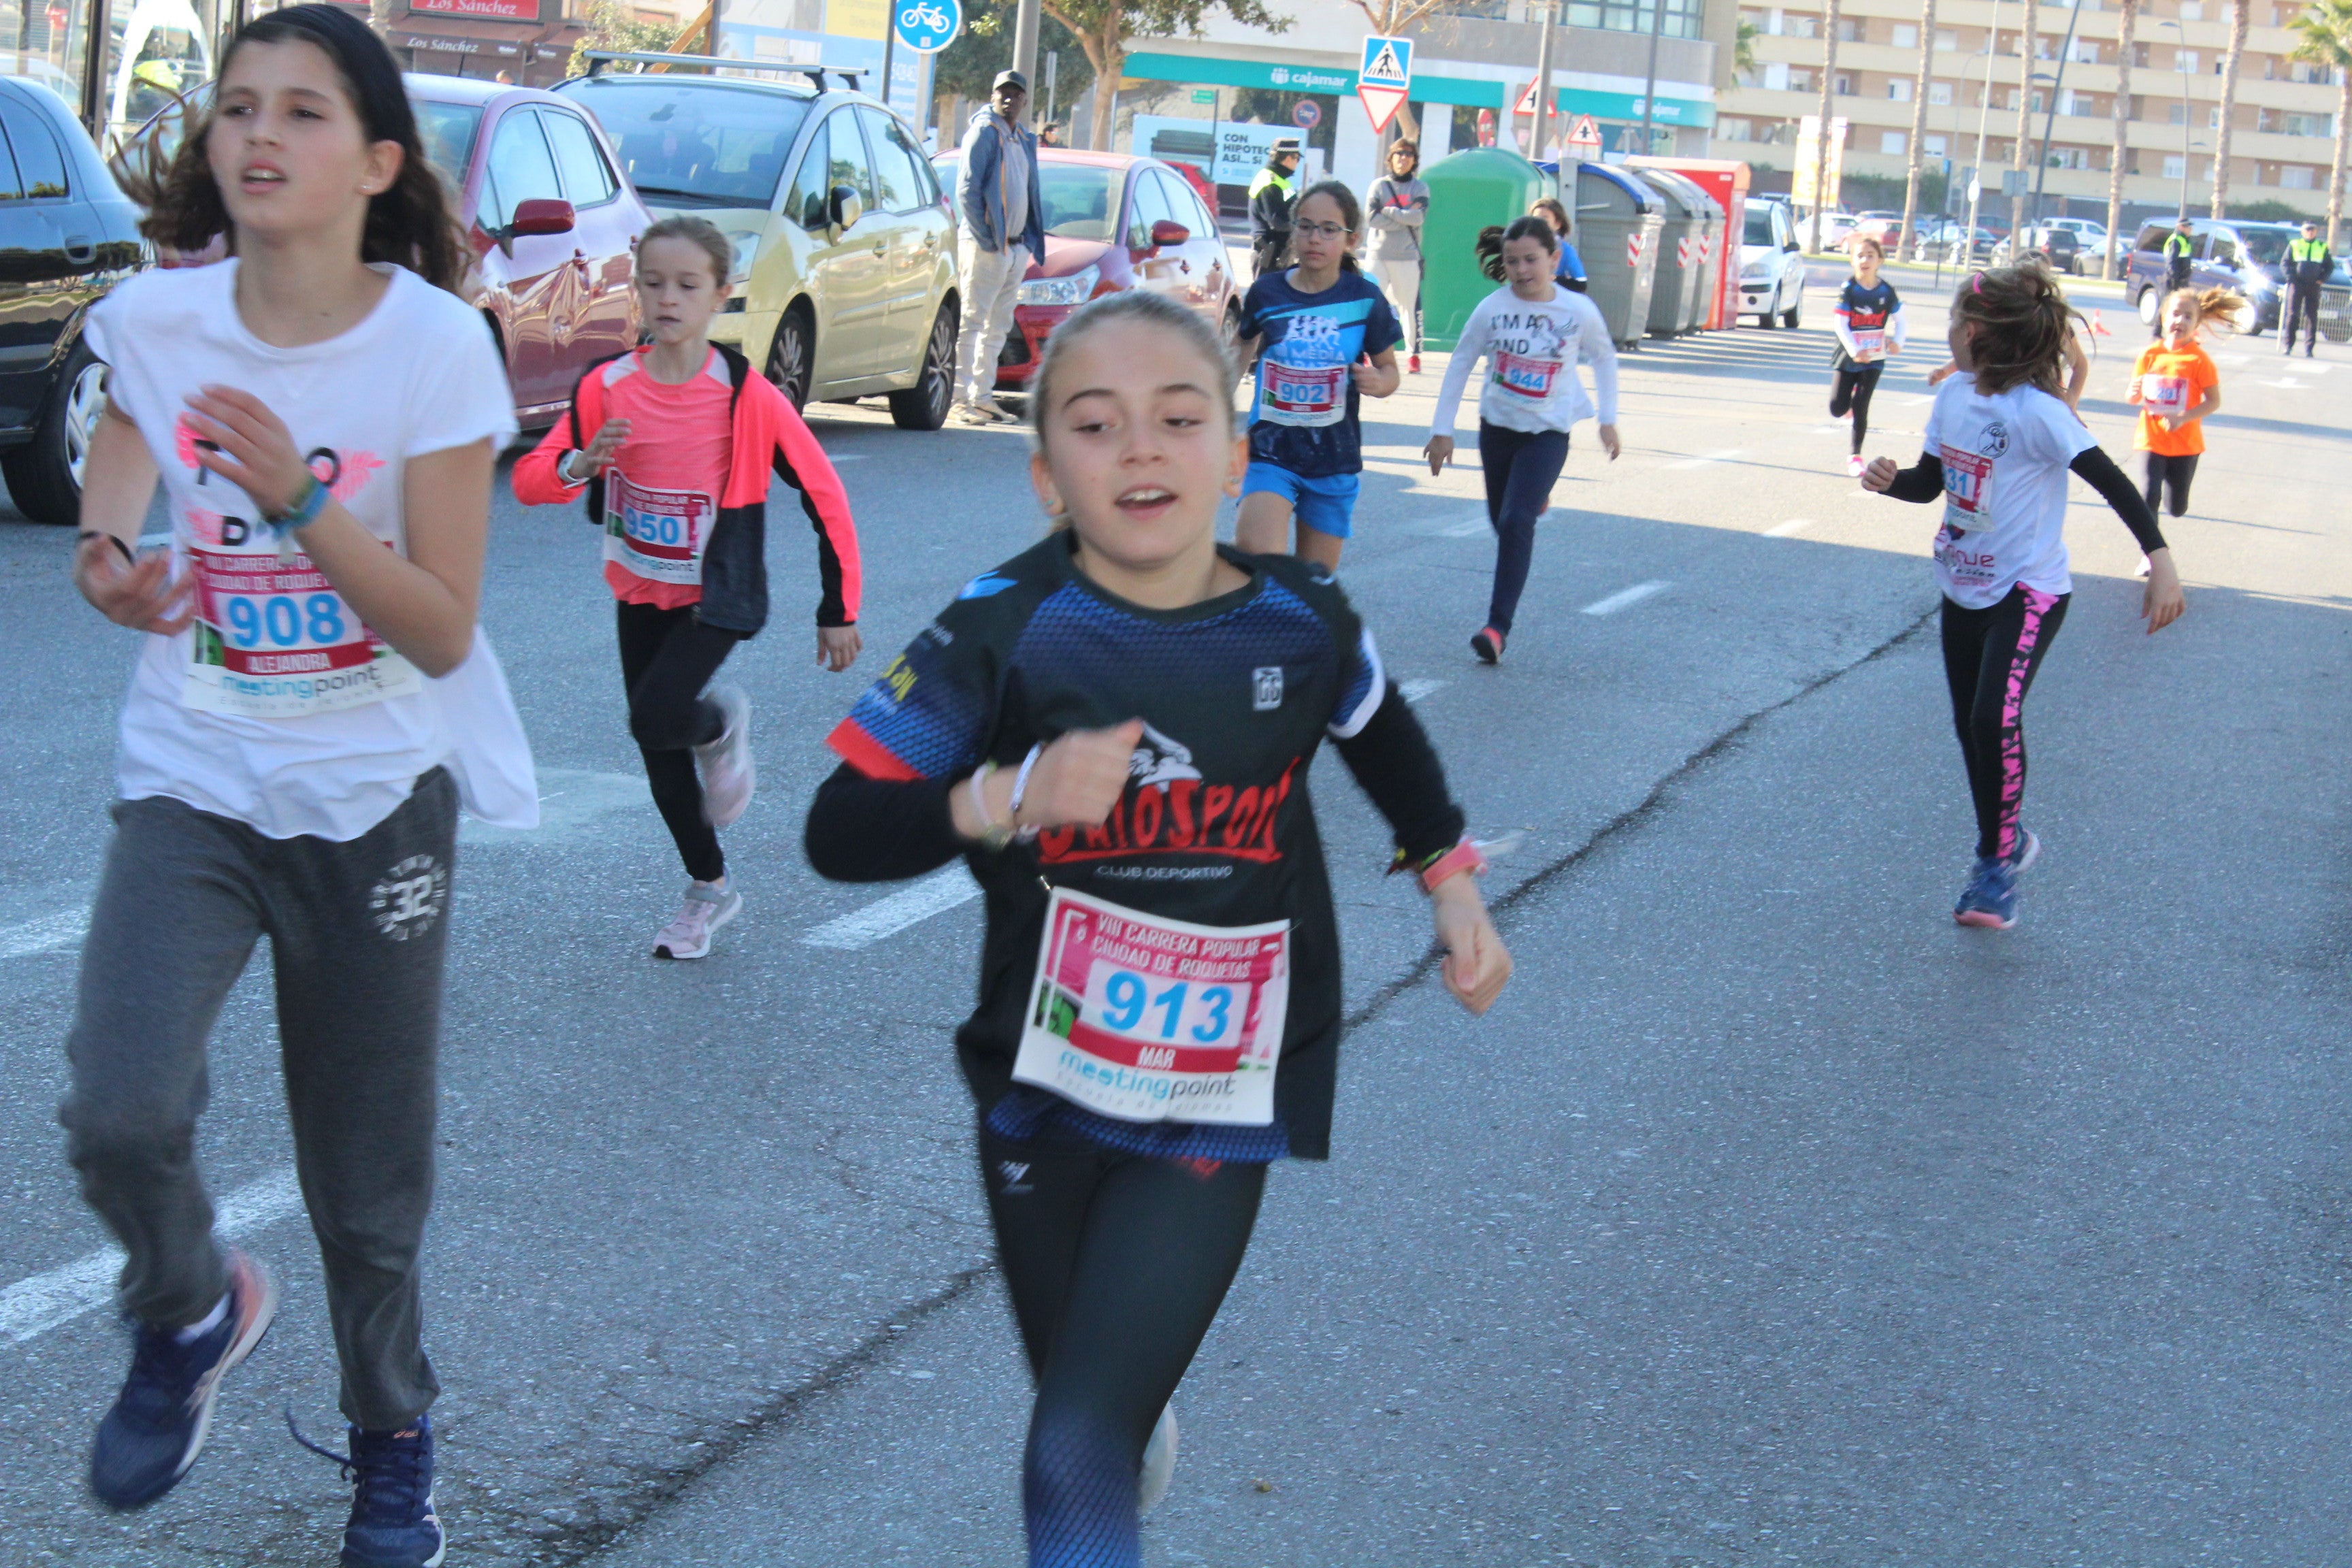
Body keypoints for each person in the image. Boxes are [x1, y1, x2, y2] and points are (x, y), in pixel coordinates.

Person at [804, 288, 1513, 1568]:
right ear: (1043, 475)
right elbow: (838, 829)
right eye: (1096, 422)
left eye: (1179, 417)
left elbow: (1382, 736)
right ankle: (1128, 1425)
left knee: (1071, 1446)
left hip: (1216, 1089)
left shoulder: (1300, 619)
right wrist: (1005, 796)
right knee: (1091, 1413)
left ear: (1236, 455)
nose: (1140, 448)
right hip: (1036, 1083)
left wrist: (1449, 878)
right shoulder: (1002, 627)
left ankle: (1111, 1440)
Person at [62, 8, 536, 1565]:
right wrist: (110, 548)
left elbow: (441, 623)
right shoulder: (164, 316)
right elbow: (130, 427)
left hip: (376, 790)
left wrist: (295, 501)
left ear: (378, 164)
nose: (259, 135)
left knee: (364, 1184)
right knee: (121, 1109)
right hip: (196, 773)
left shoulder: (431, 349)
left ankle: (392, 1444)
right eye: (239, 108)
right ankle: (188, 1309)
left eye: (305, 113)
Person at [513, 215, 863, 959]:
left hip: (719, 594)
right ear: (635, 290)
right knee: (654, 743)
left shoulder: (747, 397)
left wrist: (837, 607)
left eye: (687, 285)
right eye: (652, 283)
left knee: (659, 714)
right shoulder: (606, 387)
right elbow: (528, 480)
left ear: (720, 295)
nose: (667, 299)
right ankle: (709, 889)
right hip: (641, 586)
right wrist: (583, 462)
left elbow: (824, 492)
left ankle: (718, 726)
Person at [1861, 265, 2185, 931]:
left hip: (2028, 590)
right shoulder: (1953, 395)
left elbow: (2115, 483)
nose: (1948, 331)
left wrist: (2162, 564)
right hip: (1962, 583)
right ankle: (2006, 842)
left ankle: (1995, 870)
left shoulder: (2039, 415)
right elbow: (1932, 482)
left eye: (1954, 321)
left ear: (1975, 332)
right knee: (1970, 730)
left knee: (1990, 721)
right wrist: (1891, 481)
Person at [1429, 215, 1620, 664]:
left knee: (1516, 521)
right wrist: (1442, 431)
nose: (1521, 270)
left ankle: (1497, 628)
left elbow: (1605, 358)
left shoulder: (1577, 311)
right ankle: (1532, 496)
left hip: (1548, 433)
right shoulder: (1492, 309)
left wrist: (1607, 420)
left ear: (1555, 259)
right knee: (1503, 521)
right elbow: (1460, 363)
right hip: (1497, 429)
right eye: (1512, 261)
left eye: (1531, 260)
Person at [1231, 180, 1401, 572]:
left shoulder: (1364, 299)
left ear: (1351, 240)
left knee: (1313, 586)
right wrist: (1217, 413)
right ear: (1293, 231)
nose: (1314, 238)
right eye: (1305, 226)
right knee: (1258, 558)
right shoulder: (1267, 292)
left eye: (1328, 229)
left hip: (1333, 456)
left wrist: (1381, 382)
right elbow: (1240, 350)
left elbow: (1389, 369)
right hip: (1271, 450)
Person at [952, 69, 1045, 425]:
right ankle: (960, 398)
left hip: (1016, 248)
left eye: (1015, 94)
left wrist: (1025, 244)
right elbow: (967, 190)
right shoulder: (984, 132)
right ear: (992, 97)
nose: (1008, 99)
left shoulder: (1020, 136)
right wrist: (988, 238)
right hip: (988, 246)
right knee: (972, 322)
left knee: (998, 326)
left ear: (1025, 101)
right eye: (1001, 93)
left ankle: (983, 397)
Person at [2127, 284, 2238, 525]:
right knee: (2149, 498)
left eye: (2188, 317)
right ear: (2164, 317)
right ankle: (2151, 555)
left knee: (2176, 507)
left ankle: (2172, 486)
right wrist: (2132, 392)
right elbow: (2134, 397)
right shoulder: (2149, 354)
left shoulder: (2199, 360)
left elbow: (2213, 402)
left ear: (2197, 325)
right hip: (2151, 438)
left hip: (2185, 444)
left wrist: (2183, 417)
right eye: (2175, 314)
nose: (2181, 320)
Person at [1829, 235, 1906, 477]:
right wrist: (1855, 350)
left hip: (1875, 357)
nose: (1865, 260)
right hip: (1849, 355)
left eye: (1870, 256)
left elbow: (1901, 320)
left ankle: (1855, 457)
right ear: (1852, 261)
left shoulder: (1886, 291)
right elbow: (1840, 323)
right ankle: (1846, 404)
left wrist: (1898, 342)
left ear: (1880, 261)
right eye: (1860, 255)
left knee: (1862, 405)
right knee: (1837, 407)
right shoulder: (1849, 289)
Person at [1365, 139, 1428, 374]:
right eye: (1399, 154)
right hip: (1378, 255)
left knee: (1407, 308)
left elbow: (1418, 218)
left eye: (1409, 154)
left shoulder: (1420, 188)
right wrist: (1403, 216)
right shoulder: (1378, 186)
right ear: (1390, 158)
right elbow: (1371, 219)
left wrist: (1390, 212)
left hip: (1407, 257)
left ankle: (1413, 356)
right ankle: (1364, 351)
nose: (1403, 158)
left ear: (1414, 160)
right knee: (1370, 304)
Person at [1247, 137, 1301, 280]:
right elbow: (1277, 222)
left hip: (1279, 254)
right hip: (1269, 255)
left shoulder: (1281, 180)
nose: (1297, 163)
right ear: (1289, 159)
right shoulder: (1270, 183)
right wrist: (1301, 225)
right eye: (1297, 159)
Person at [2281, 219, 2332, 357]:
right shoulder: (2295, 244)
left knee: (2311, 316)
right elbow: (2285, 264)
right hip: (2297, 285)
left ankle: (2309, 348)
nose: (2310, 232)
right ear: (2303, 232)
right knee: (2292, 315)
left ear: (2316, 232)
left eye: (2312, 230)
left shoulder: (2322, 246)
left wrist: (2322, 279)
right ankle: (2288, 345)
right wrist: (2291, 279)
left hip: (2313, 286)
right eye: (2307, 230)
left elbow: (2329, 266)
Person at [1529, 197, 1589, 291]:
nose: (1538, 225)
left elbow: (1581, 284)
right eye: (1534, 220)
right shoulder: (1523, 247)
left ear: (1557, 224)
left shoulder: (1566, 250)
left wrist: (1555, 279)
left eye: (1544, 220)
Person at [2156, 216, 2195, 336]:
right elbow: (2171, 262)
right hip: (2174, 280)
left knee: (2181, 306)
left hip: (2182, 280)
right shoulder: (2176, 240)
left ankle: (2179, 334)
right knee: (2166, 305)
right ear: (2180, 227)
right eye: (2188, 226)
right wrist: (2174, 279)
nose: (2190, 229)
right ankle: (2156, 332)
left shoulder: (2185, 240)